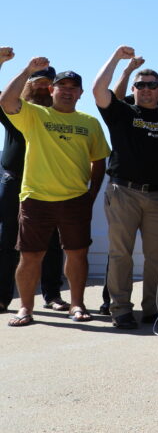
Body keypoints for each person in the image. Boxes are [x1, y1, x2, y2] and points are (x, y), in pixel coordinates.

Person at [1, 53, 110, 328]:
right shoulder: (35, 114)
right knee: (30, 256)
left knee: (77, 254)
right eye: (62, 86)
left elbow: (99, 161)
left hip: (75, 199)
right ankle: (25, 308)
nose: (68, 92)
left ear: (81, 93)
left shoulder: (90, 123)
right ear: (52, 90)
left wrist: (92, 194)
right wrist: (27, 69)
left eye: (74, 88)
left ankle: (77, 303)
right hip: (36, 198)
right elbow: (6, 101)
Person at [92, 46, 158, 330]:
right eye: (141, 86)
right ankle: (120, 310)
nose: (147, 90)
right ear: (134, 88)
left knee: (156, 257)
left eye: (152, 85)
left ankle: (153, 309)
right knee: (121, 254)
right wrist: (117, 59)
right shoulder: (122, 112)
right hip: (123, 191)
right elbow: (98, 90)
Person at [1, 62, 67, 314]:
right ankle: (2, 297)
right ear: (27, 84)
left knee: (52, 242)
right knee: (7, 242)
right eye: (36, 82)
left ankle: (52, 295)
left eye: (47, 84)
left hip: (47, 184)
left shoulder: (60, 114)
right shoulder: (15, 109)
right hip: (14, 181)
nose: (41, 88)